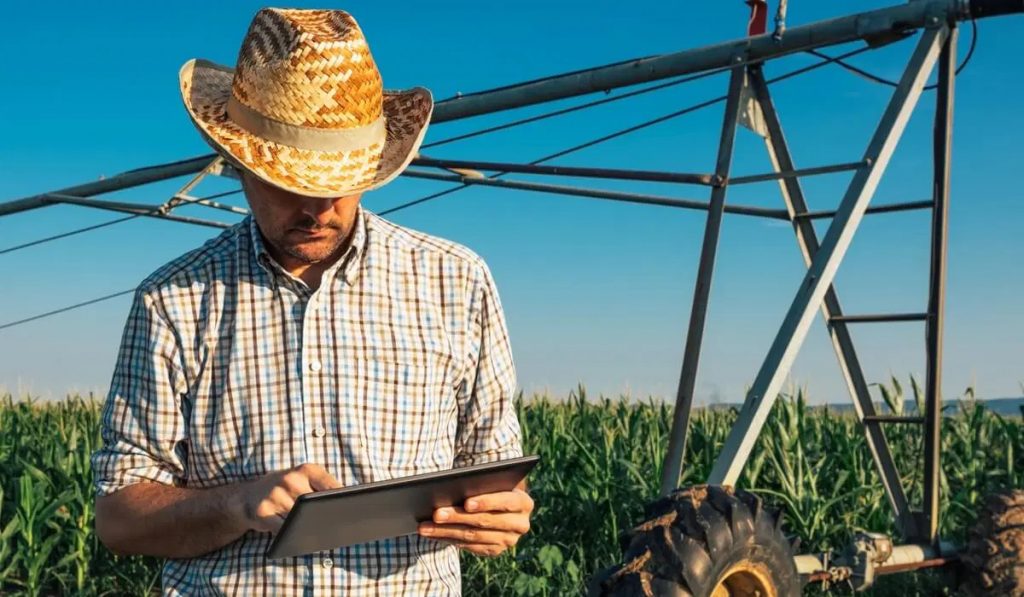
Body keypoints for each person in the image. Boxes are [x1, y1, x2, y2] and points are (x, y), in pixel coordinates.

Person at [90, 8, 533, 595]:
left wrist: (502, 515)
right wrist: (239, 504)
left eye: (339, 181)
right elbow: (120, 518)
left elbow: (497, 475)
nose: (319, 207)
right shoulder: (173, 301)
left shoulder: (457, 281)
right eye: (290, 182)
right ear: (239, 165)